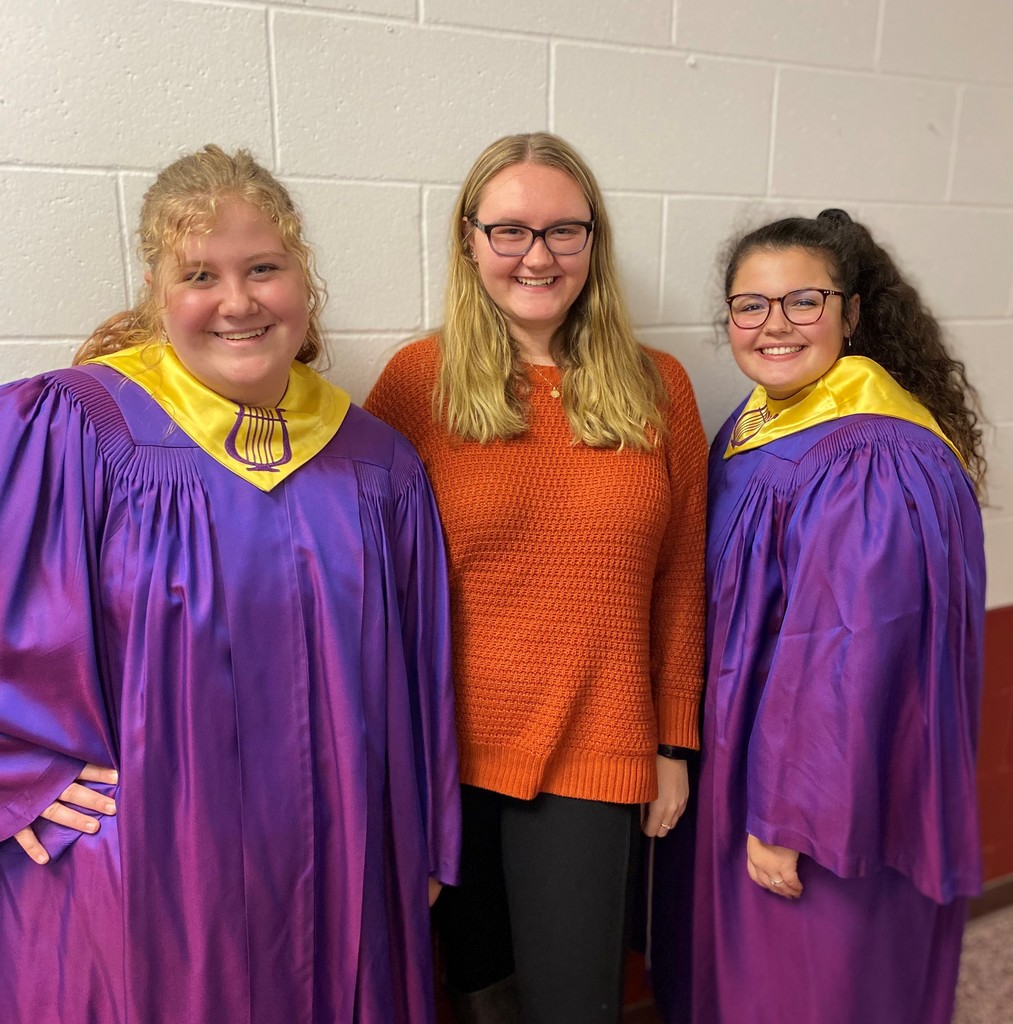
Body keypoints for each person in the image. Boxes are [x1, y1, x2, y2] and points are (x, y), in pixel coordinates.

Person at [0, 144, 460, 1024]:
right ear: (156, 291)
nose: (238, 301)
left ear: (303, 276)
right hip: (148, 875)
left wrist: (423, 839)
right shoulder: (73, 430)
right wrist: (20, 775)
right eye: (200, 275)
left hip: (336, 867)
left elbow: (419, 676)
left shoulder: (378, 465)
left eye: (263, 268)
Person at [364, 132, 707, 1024]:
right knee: (477, 989)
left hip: (595, 744)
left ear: (593, 241)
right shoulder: (416, 382)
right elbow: (370, 571)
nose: (538, 256)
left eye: (563, 231)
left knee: (574, 1001)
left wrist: (672, 741)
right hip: (444, 752)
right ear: (469, 239)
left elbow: (679, 576)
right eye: (510, 231)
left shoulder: (659, 386)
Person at [663, 209, 985, 1024]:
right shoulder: (759, 422)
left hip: (817, 797)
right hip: (747, 757)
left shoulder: (872, 454)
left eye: (802, 301)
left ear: (850, 313)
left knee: (808, 988)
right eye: (750, 305)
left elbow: (848, 654)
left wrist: (787, 819)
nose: (773, 325)